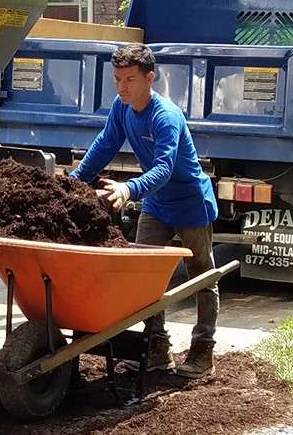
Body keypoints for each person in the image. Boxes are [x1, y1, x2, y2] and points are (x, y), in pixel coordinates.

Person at [70, 43, 219, 379]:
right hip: (157, 204)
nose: (122, 87)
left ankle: (202, 351)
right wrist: (73, 181)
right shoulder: (122, 109)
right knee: (144, 278)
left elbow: (165, 168)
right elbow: (104, 145)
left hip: (190, 203)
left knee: (202, 278)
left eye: (130, 80)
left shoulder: (166, 116)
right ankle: (156, 348)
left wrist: (128, 189)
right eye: (117, 79)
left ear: (150, 78)